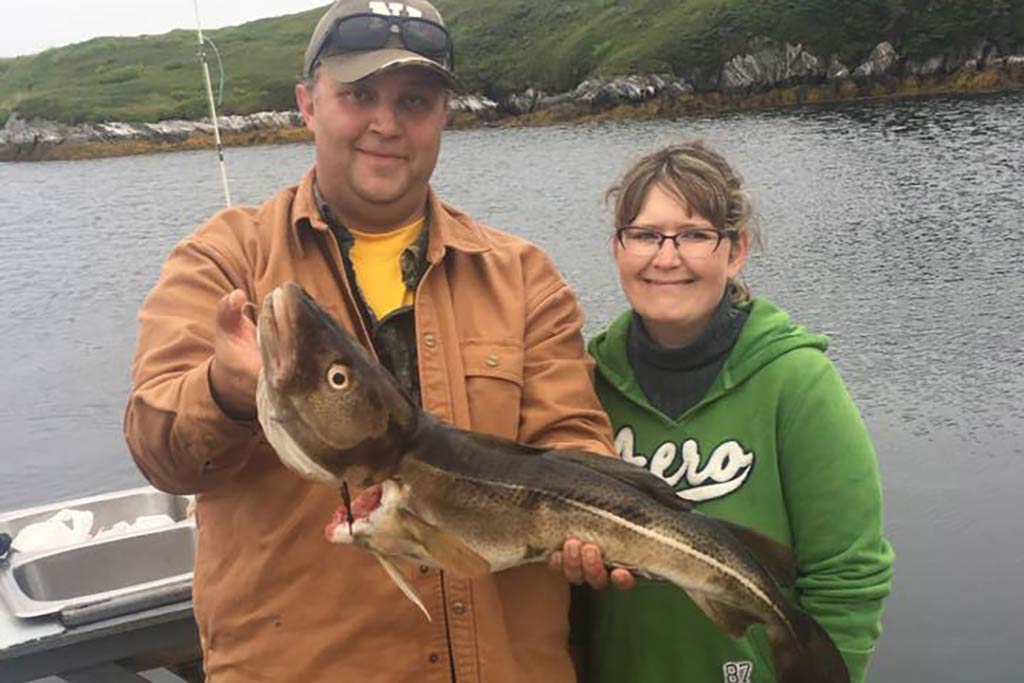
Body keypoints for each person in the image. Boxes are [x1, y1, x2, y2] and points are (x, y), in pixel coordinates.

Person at [124, 1, 620, 680]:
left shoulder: (524, 275)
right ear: (307, 103)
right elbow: (161, 454)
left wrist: (592, 525)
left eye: (414, 100)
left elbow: (573, 435)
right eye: (359, 95)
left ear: (443, 115)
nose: (386, 124)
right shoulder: (222, 260)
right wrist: (225, 390)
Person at [571, 141, 894, 683]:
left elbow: (849, 577)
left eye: (694, 235)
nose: (666, 257)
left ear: (736, 249)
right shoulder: (584, 383)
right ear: (618, 248)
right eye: (646, 235)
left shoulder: (796, 381)